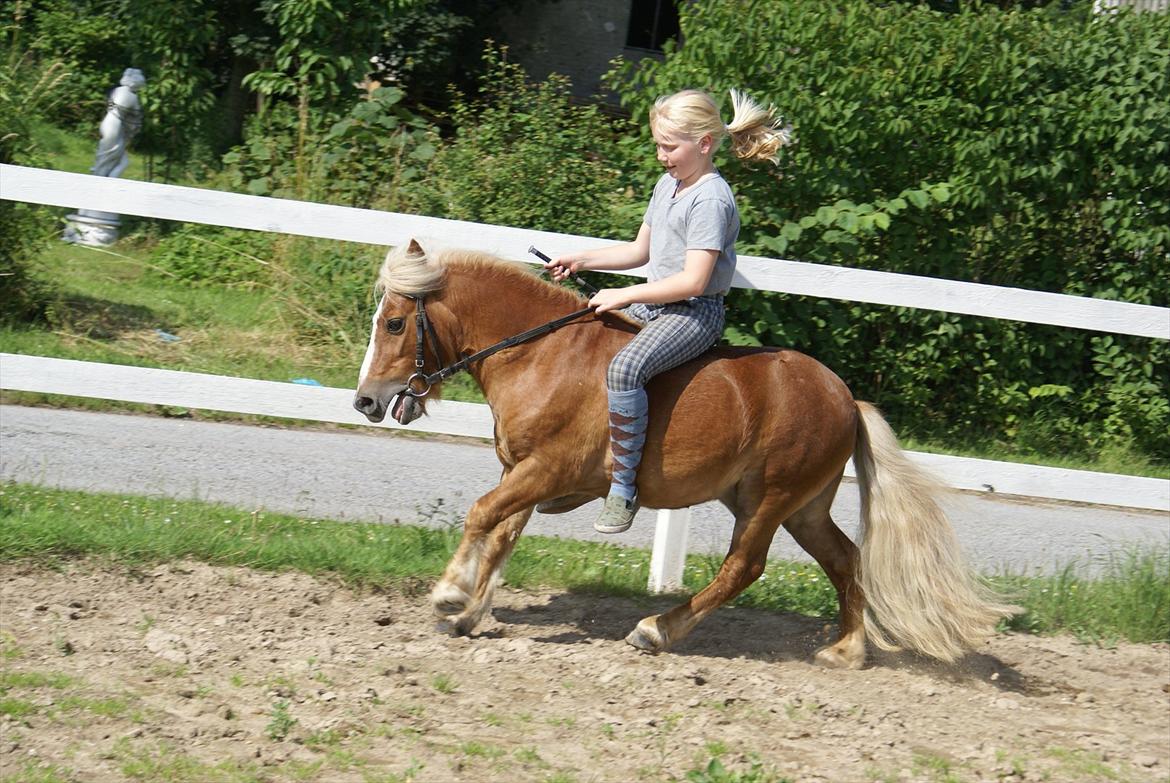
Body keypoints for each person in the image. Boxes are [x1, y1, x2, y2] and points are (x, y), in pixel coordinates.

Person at [545, 88, 791, 534]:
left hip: (691, 314)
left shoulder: (710, 199)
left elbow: (694, 280)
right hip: (654, 304)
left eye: (669, 146)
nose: (661, 156)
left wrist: (622, 295)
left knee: (623, 371)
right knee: (581, 346)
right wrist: (581, 259)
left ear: (703, 144)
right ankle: (583, 471)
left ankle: (622, 488)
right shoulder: (669, 185)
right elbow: (641, 250)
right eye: (658, 145)